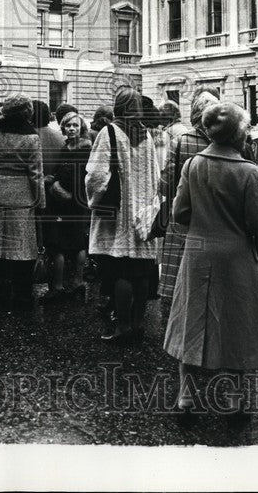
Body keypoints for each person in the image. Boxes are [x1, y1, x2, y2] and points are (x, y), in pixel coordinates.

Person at [164, 102, 258, 416]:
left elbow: (180, 213)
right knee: (236, 323)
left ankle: (186, 396)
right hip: (236, 255)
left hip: (197, 251)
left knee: (191, 320)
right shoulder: (248, 171)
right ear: (239, 133)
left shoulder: (193, 165)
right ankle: (234, 398)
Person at [86, 88, 161, 343]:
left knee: (120, 271)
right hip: (143, 213)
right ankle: (139, 324)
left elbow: (97, 176)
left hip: (117, 214)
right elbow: (156, 175)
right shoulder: (147, 135)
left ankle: (122, 326)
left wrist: (94, 198)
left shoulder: (109, 133)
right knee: (140, 272)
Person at [0, 95, 45, 311]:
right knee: (22, 247)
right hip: (22, 194)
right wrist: (40, 201)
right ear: (27, 112)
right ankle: (21, 294)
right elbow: (36, 173)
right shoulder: (32, 138)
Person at [157, 89, 219, 303]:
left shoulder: (182, 141)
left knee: (179, 284)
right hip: (214, 218)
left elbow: (165, 182)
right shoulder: (223, 141)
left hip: (182, 216)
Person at [43, 112, 93, 301]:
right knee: (73, 241)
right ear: (63, 127)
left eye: (76, 125)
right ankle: (75, 283)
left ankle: (61, 285)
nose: (72, 128)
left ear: (82, 128)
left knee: (61, 244)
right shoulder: (67, 146)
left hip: (70, 201)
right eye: (68, 125)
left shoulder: (84, 149)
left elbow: (77, 177)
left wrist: (56, 185)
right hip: (71, 201)